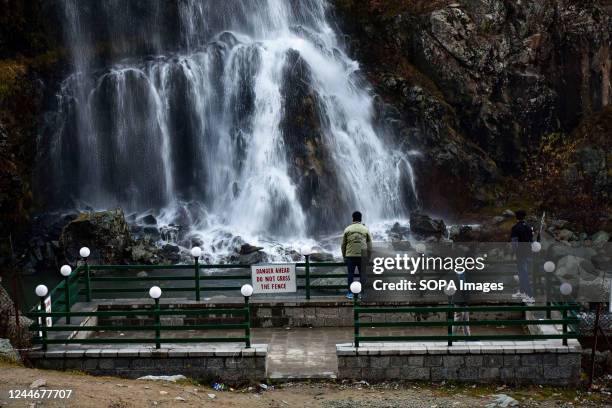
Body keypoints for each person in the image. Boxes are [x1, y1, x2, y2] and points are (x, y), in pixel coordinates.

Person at [341, 211, 372, 299]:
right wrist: (369, 256)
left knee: (350, 274)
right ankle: (362, 293)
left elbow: (343, 245)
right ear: (361, 219)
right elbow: (370, 245)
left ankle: (350, 293)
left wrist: (344, 256)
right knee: (362, 274)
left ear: (352, 218)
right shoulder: (365, 229)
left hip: (350, 255)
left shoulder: (347, 229)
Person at [510, 210, 534, 303]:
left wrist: (513, 252)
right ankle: (522, 291)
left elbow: (514, 243)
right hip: (528, 253)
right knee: (523, 273)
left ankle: (529, 295)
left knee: (523, 274)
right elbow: (531, 241)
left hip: (520, 253)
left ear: (516, 217)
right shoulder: (528, 227)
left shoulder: (515, 228)